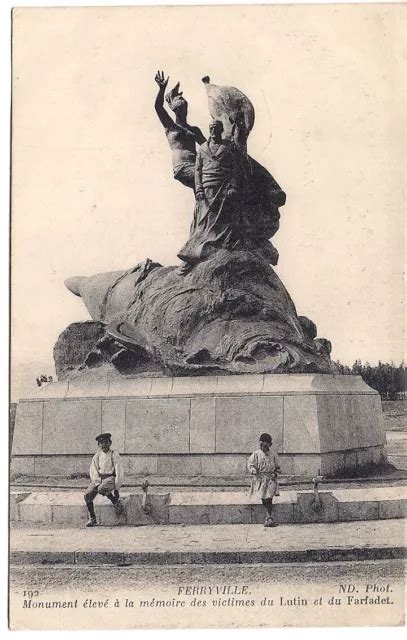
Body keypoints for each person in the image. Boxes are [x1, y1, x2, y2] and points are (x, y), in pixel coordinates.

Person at [177, 119, 244, 271]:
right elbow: (197, 171)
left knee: (223, 221)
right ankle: (192, 254)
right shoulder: (202, 149)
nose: (214, 131)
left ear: (221, 130)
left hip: (223, 189)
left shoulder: (228, 147)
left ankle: (221, 248)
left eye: (216, 128)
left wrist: (232, 186)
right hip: (206, 190)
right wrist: (199, 189)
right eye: (211, 128)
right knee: (203, 222)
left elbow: (235, 169)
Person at [154, 70, 206, 189]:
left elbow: (207, 147)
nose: (184, 111)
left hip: (197, 166)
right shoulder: (170, 126)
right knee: (205, 179)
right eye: (180, 109)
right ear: (175, 110)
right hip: (182, 166)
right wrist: (162, 89)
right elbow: (158, 107)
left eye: (184, 108)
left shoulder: (194, 130)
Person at [84, 432, 124, 527]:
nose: (104, 445)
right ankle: (93, 519)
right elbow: (93, 470)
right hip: (99, 478)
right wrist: (96, 481)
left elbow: (119, 471)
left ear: (110, 443)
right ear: (99, 445)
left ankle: (115, 501)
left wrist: (117, 488)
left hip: (110, 478)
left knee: (102, 488)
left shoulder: (114, 454)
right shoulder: (97, 456)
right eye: (101, 443)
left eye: (106, 442)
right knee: (87, 495)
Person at [247, 433, 281, 527]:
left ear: (270, 444)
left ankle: (269, 518)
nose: (263, 448)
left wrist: (275, 473)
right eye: (261, 445)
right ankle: (268, 517)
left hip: (271, 479)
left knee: (269, 497)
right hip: (260, 479)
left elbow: (278, 467)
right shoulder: (256, 454)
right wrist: (253, 470)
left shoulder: (273, 454)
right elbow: (250, 464)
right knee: (264, 497)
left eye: (265, 446)